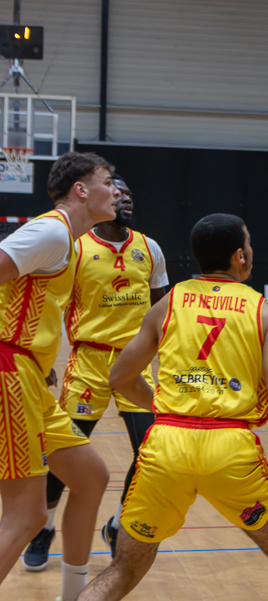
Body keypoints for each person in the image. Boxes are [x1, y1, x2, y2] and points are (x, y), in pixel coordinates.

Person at [79, 214, 268, 601]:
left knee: (124, 569)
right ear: (240, 256)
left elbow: (120, 376)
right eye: (250, 245)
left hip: (165, 447)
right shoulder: (264, 312)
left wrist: (162, 410)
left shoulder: (168, 303)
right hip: (230, 450)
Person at [22, 176, 169, 572]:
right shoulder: (75, 248)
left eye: (131, 195)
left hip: (134, 365)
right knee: (64, 457)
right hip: (88, 362)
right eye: (119, 193)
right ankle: (44, 528)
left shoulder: (149, 249)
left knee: (152, 452)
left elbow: (162, 314)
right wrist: (44, 359)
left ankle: (119, 526)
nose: (126, 201)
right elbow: (51, 305)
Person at [0, 152, 118, 601]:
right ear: (81, 191)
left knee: (90, 477)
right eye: (108, 181)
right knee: (25, 516)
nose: (117, 190)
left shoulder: (66, 240)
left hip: (30, 376)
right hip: (9, 372)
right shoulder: (51, 229)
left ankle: (73, 595)